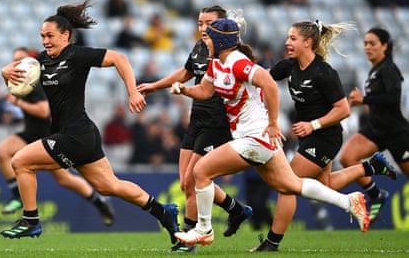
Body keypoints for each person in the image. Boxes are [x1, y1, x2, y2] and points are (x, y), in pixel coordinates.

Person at [171, 18, 394, 247]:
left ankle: (205, 229)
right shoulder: (216, 63)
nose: (203, 39)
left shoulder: (239, 62)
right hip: (259, 137)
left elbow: (267, 83)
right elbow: (206, 91)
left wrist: (274, 123)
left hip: (262, 137)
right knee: (290, 185)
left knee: (200, 171)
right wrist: (185, 90)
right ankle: (348, 202)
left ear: (220, 41)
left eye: (208, 36)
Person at [0, 1, 178, 245]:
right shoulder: (42, 60)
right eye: (42, 36)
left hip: (75, 135)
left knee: (20, 161)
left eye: (50, 36)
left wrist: (133, 91)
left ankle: (30, 220)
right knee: (108, 186)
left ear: (66, 35)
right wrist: (4, 71)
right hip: (78, 134)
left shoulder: (76, 55)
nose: (45, 41)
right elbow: (15, 68)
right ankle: (164, 212)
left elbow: (120, 58)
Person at [250, 20, 396, 252]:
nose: (287, 42)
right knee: (324, 185)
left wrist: (313, 125)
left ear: (308, 42)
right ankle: (369, 168)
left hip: (325, 136)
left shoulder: (324, 72)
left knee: (288, 185)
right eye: (288, 38)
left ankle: (272, 242)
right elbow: (263, 78)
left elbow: (343, 109)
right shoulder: (289, 66)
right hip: (310, 136)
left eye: (293, 38)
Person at [137, 5, 253, 253]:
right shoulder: (201, 48)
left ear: (222, 25)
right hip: (196, 119)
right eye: (200, 23)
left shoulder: (233, 54)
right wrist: (154, 86)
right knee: (185, 184)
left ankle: (188, 239)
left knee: (192, 181)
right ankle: (236, 209)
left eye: (208, 23)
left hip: (218, 124)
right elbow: (185, 73)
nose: (202, 28)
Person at [0, 47, 116, 227]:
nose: (17, 64)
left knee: (64, 179)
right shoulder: (22, 81)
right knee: (1, 151)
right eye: (14, 60)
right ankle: (17, 196)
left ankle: (99, 202)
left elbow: (44, 111)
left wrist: (18, 102)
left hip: (47, 135)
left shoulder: (37, 80)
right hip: (29, 134)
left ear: (30, 61)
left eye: (21, 59)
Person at [339, 27, 409, 223]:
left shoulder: (388, 69)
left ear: (385, 46)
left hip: (396, 132)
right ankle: (376, 194)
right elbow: (376, 103)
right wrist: (359, 102)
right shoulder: (373, 71)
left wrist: (365, 99)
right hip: (376, 129)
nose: (367, 47)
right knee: (347, 157)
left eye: (372, 43)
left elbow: (394, 98)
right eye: (365, 43)